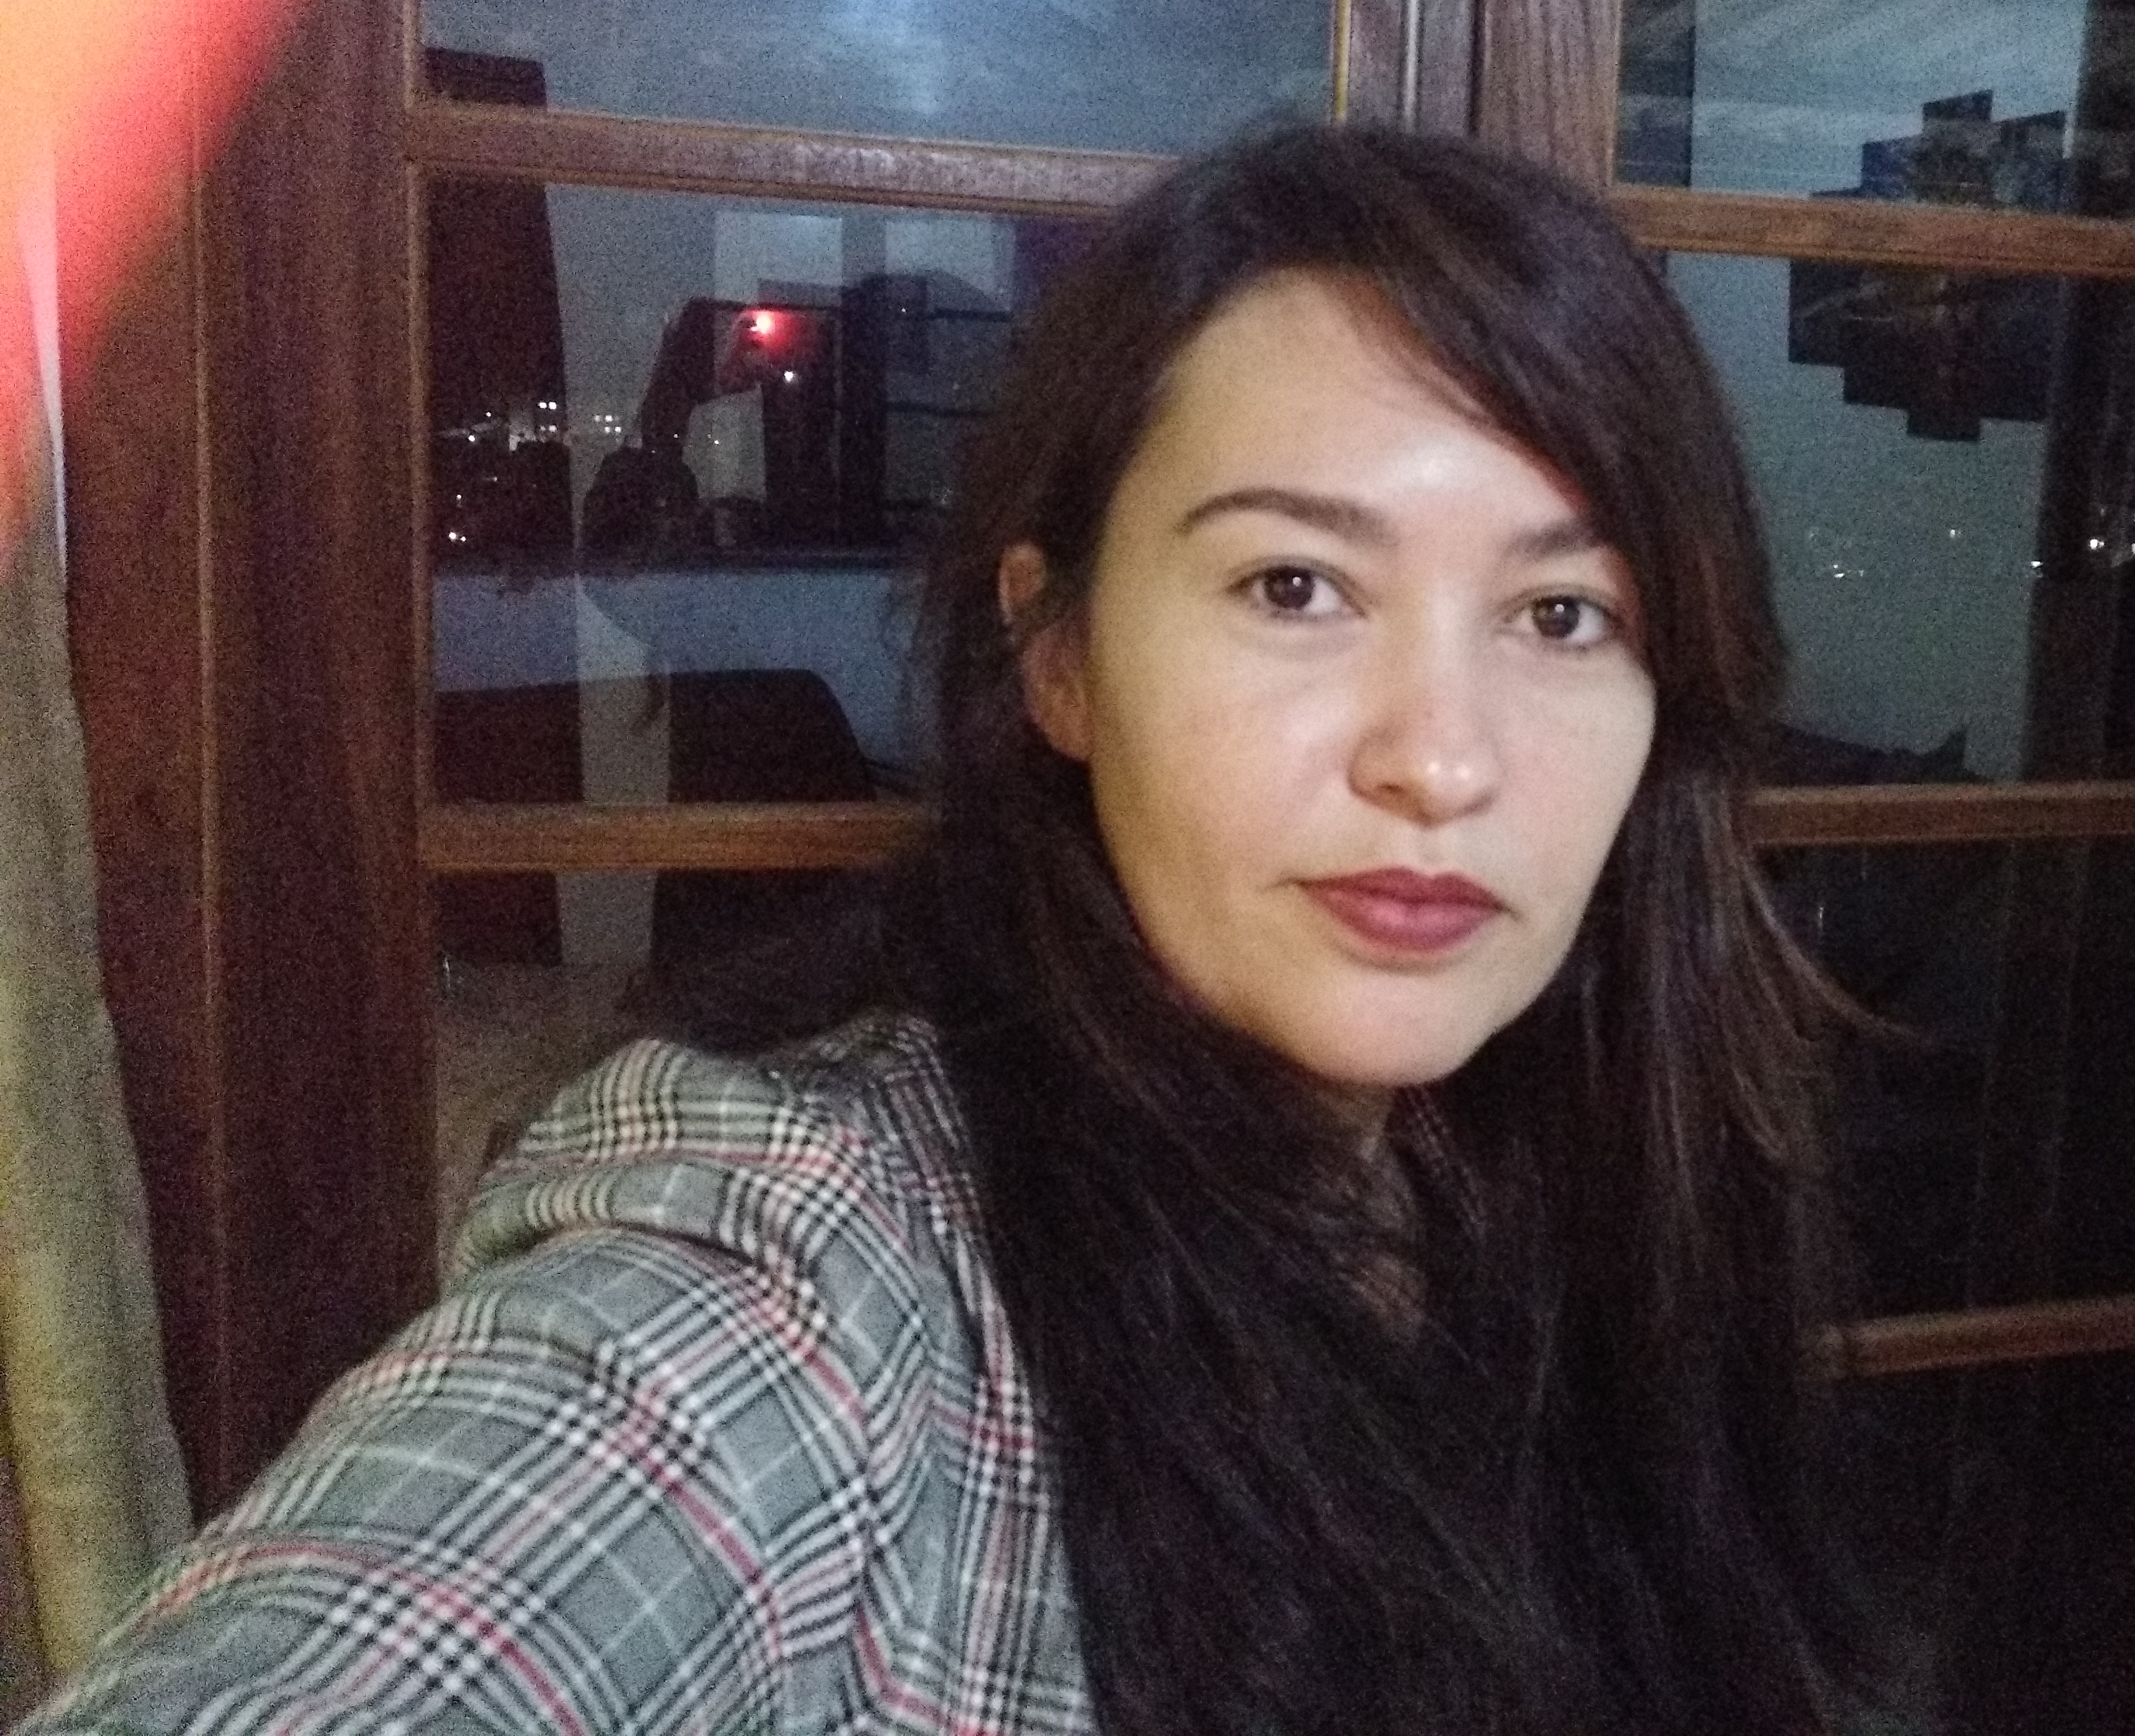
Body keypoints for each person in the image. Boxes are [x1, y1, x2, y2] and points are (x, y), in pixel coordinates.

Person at [26, 124, 1864, 1735]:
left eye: (1560, 616)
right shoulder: (819, 1266)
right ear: (1057, 652)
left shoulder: (1592, 1154)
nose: (1442, 760)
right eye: (1295, 585)